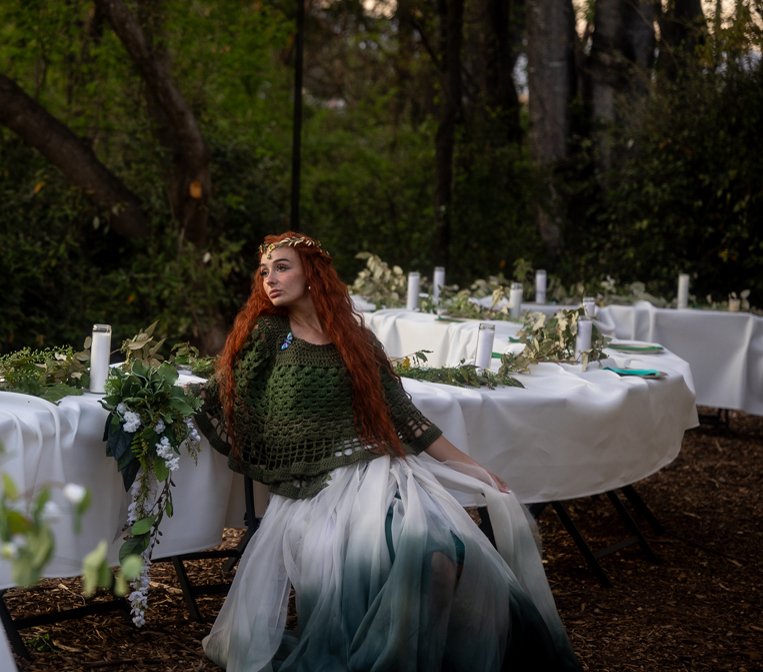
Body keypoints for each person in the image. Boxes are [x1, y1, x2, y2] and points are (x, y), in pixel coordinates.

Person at [198, 232, 580, 671]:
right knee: (402, 559)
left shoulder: (355, 342)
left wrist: (475, 469)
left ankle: (415, 657)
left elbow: (405, 417)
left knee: (440, 556)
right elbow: (223, 399)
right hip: (313, 492)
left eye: (282, 267)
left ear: (312, 273)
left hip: (383, 475)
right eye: (265, 271)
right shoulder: (268, 333)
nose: (270, 278)